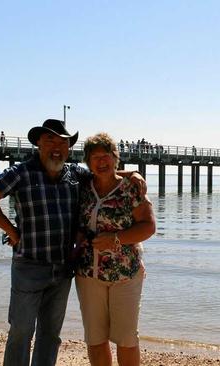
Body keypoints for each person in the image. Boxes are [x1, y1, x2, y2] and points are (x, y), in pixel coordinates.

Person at [0, 119, 146, 366]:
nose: (57, 147)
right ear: (38, 144)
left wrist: (135, 174)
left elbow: (104, 173)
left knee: (50, 335)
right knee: (21, 331)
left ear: (68, 148)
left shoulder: (74, 174)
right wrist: (10, 230)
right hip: (29, 266)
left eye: (63, 142)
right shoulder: (21, 172)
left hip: (63, 268)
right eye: (50, 140)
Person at [75, 132, 156, 366]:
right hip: (88, 274)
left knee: (127, 338)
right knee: (95, 338)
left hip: (126, 274)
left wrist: (116, 239)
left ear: (115, 157)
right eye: (95, 157)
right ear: (88, 162)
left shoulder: (131, 189)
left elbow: (149, 227)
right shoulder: (82, 187)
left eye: (106, 156)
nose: (101, 162)